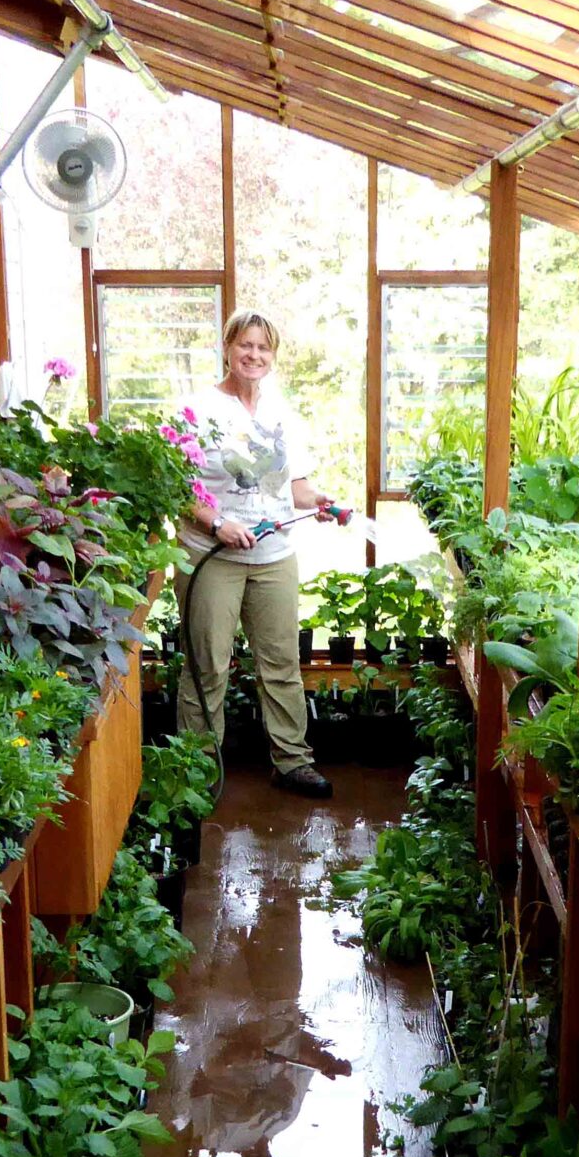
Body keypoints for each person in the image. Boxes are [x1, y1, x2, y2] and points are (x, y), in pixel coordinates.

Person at [174, 310, 339, 799]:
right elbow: (178, 484)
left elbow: (296, 485)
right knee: (208, 665)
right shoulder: (198, 408)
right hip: (212, 556)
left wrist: (321, 501)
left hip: (273, 556)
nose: (254, 355)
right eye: (245, 345)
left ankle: (292, 762)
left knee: (282, 662)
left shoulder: (280, 410)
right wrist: (216, 523)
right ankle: (196, 769)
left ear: (273, 355)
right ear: (227, 347)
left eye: (263, 348)